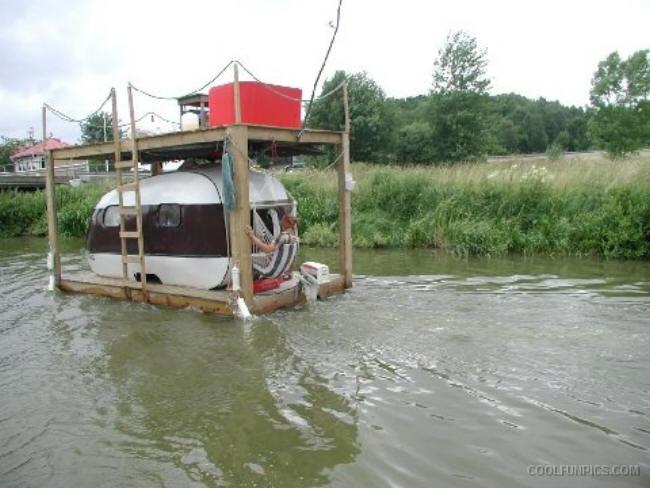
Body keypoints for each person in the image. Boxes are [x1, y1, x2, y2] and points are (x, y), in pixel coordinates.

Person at [246, 214, 299, 279]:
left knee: (246, 258)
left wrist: (252, 236)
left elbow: (267, 249)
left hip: (270, 271)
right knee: (261, 255)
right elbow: (293, 260)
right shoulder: (296, 240)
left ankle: (248, 281)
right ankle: (258, 277)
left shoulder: (283, 237)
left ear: (284, 224)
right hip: (280, 273)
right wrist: (289, 273)